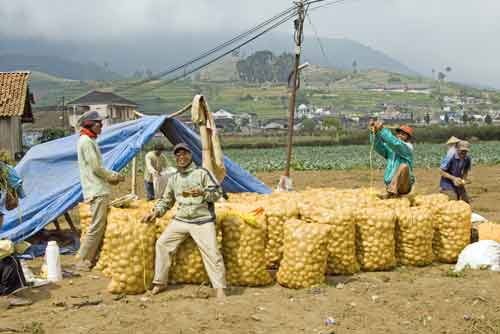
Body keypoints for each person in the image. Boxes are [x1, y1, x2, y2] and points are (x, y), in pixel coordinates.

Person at [141, 143, 226, 298]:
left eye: (184, 154)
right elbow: (166, 200)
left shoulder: (202, 173)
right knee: (162, 244)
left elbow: (217, 192)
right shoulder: (174, 178)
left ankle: (219, 287)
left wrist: (203, 192)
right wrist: (155, 212)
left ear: (190, 155)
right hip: (181, 220)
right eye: (178, 155)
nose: (181, 157)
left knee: (212, 252)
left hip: (202, 220)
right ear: (175, 158)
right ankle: (160, 282)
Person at [76, 111, 125, 271]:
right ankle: (83, 261)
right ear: (90, 124)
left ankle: (89, 257)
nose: (101, 126)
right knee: (96, 226)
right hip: (97, 189)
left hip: (96, 188)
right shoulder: (86, 142)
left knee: (97, 225)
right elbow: (96, 168)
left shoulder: (87, 140)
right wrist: (113, 176)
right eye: (99, 123)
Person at [369, 121, 415, 199]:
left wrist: (382, 129)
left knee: (404, 167)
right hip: (389, 184)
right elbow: (377, 146)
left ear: (408, 137)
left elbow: (395, 143)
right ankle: (392, 191)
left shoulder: (407, 148)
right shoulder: (391, 150)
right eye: (398, 133)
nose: (400, 135)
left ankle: (391, 191)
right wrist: (375, 132)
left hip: (404, 185)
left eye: (403, 134)